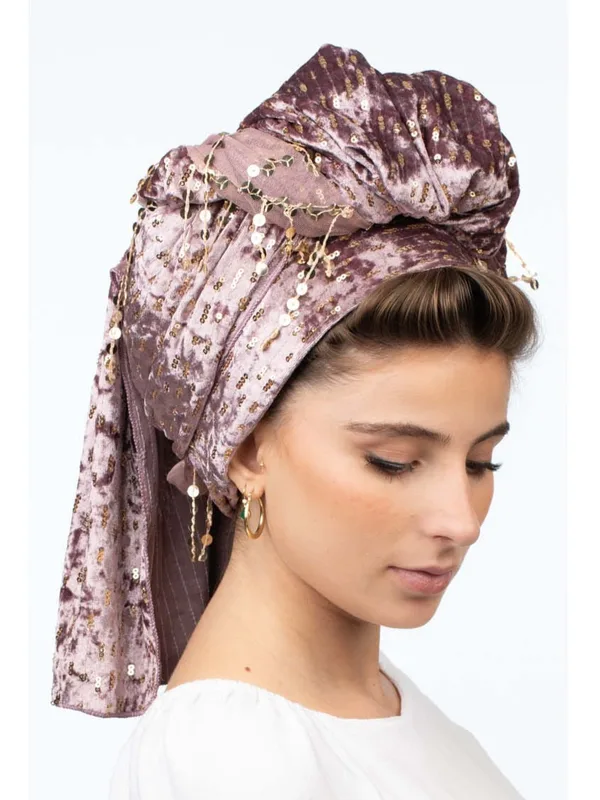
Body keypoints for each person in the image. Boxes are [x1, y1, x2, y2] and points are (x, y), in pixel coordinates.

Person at [51, 43, 541, 799]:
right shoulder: (233, 760)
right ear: (245, 450)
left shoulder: (379, 709)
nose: (462, 520)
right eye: (395, 460)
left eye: (481, 463)